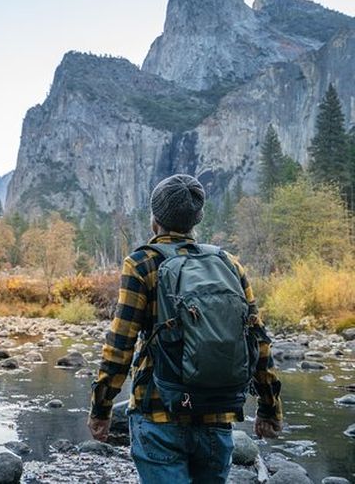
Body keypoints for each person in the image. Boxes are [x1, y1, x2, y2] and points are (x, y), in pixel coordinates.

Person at [87, 174, 282, 483]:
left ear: (155, 221)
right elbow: (258, 340)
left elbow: (119, 346)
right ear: (197, 220)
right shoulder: (229, 264)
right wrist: (270, 408)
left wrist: (101, 408)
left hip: (158, 413)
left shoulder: (141, 263)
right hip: (217, 415)